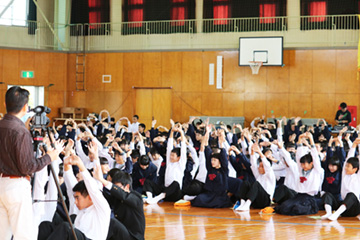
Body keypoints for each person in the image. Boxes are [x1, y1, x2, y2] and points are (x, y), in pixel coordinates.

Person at [0, 86, 63, 240]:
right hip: (17, 186)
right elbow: (28, 167)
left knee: (3, 234)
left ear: (4, 104)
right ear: (26, 107)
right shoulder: (20, 131)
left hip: (2, 183)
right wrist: (50, 156)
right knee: (25, 236)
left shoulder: (4, 125)